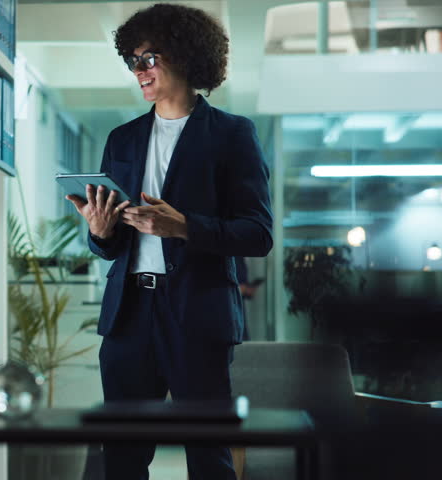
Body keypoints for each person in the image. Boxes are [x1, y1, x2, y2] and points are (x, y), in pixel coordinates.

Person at [65, 4, 273, 480]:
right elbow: (111, 243)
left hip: (197, 314)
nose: (138, 70)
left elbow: (258, 233)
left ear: (185, 55)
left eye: (149, 57)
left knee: (209, 454)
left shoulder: (232, 135)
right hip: (128, 315)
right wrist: (99, 233)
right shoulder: (121, 139)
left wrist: (184, 227)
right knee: (121, 457)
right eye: (133, 60)